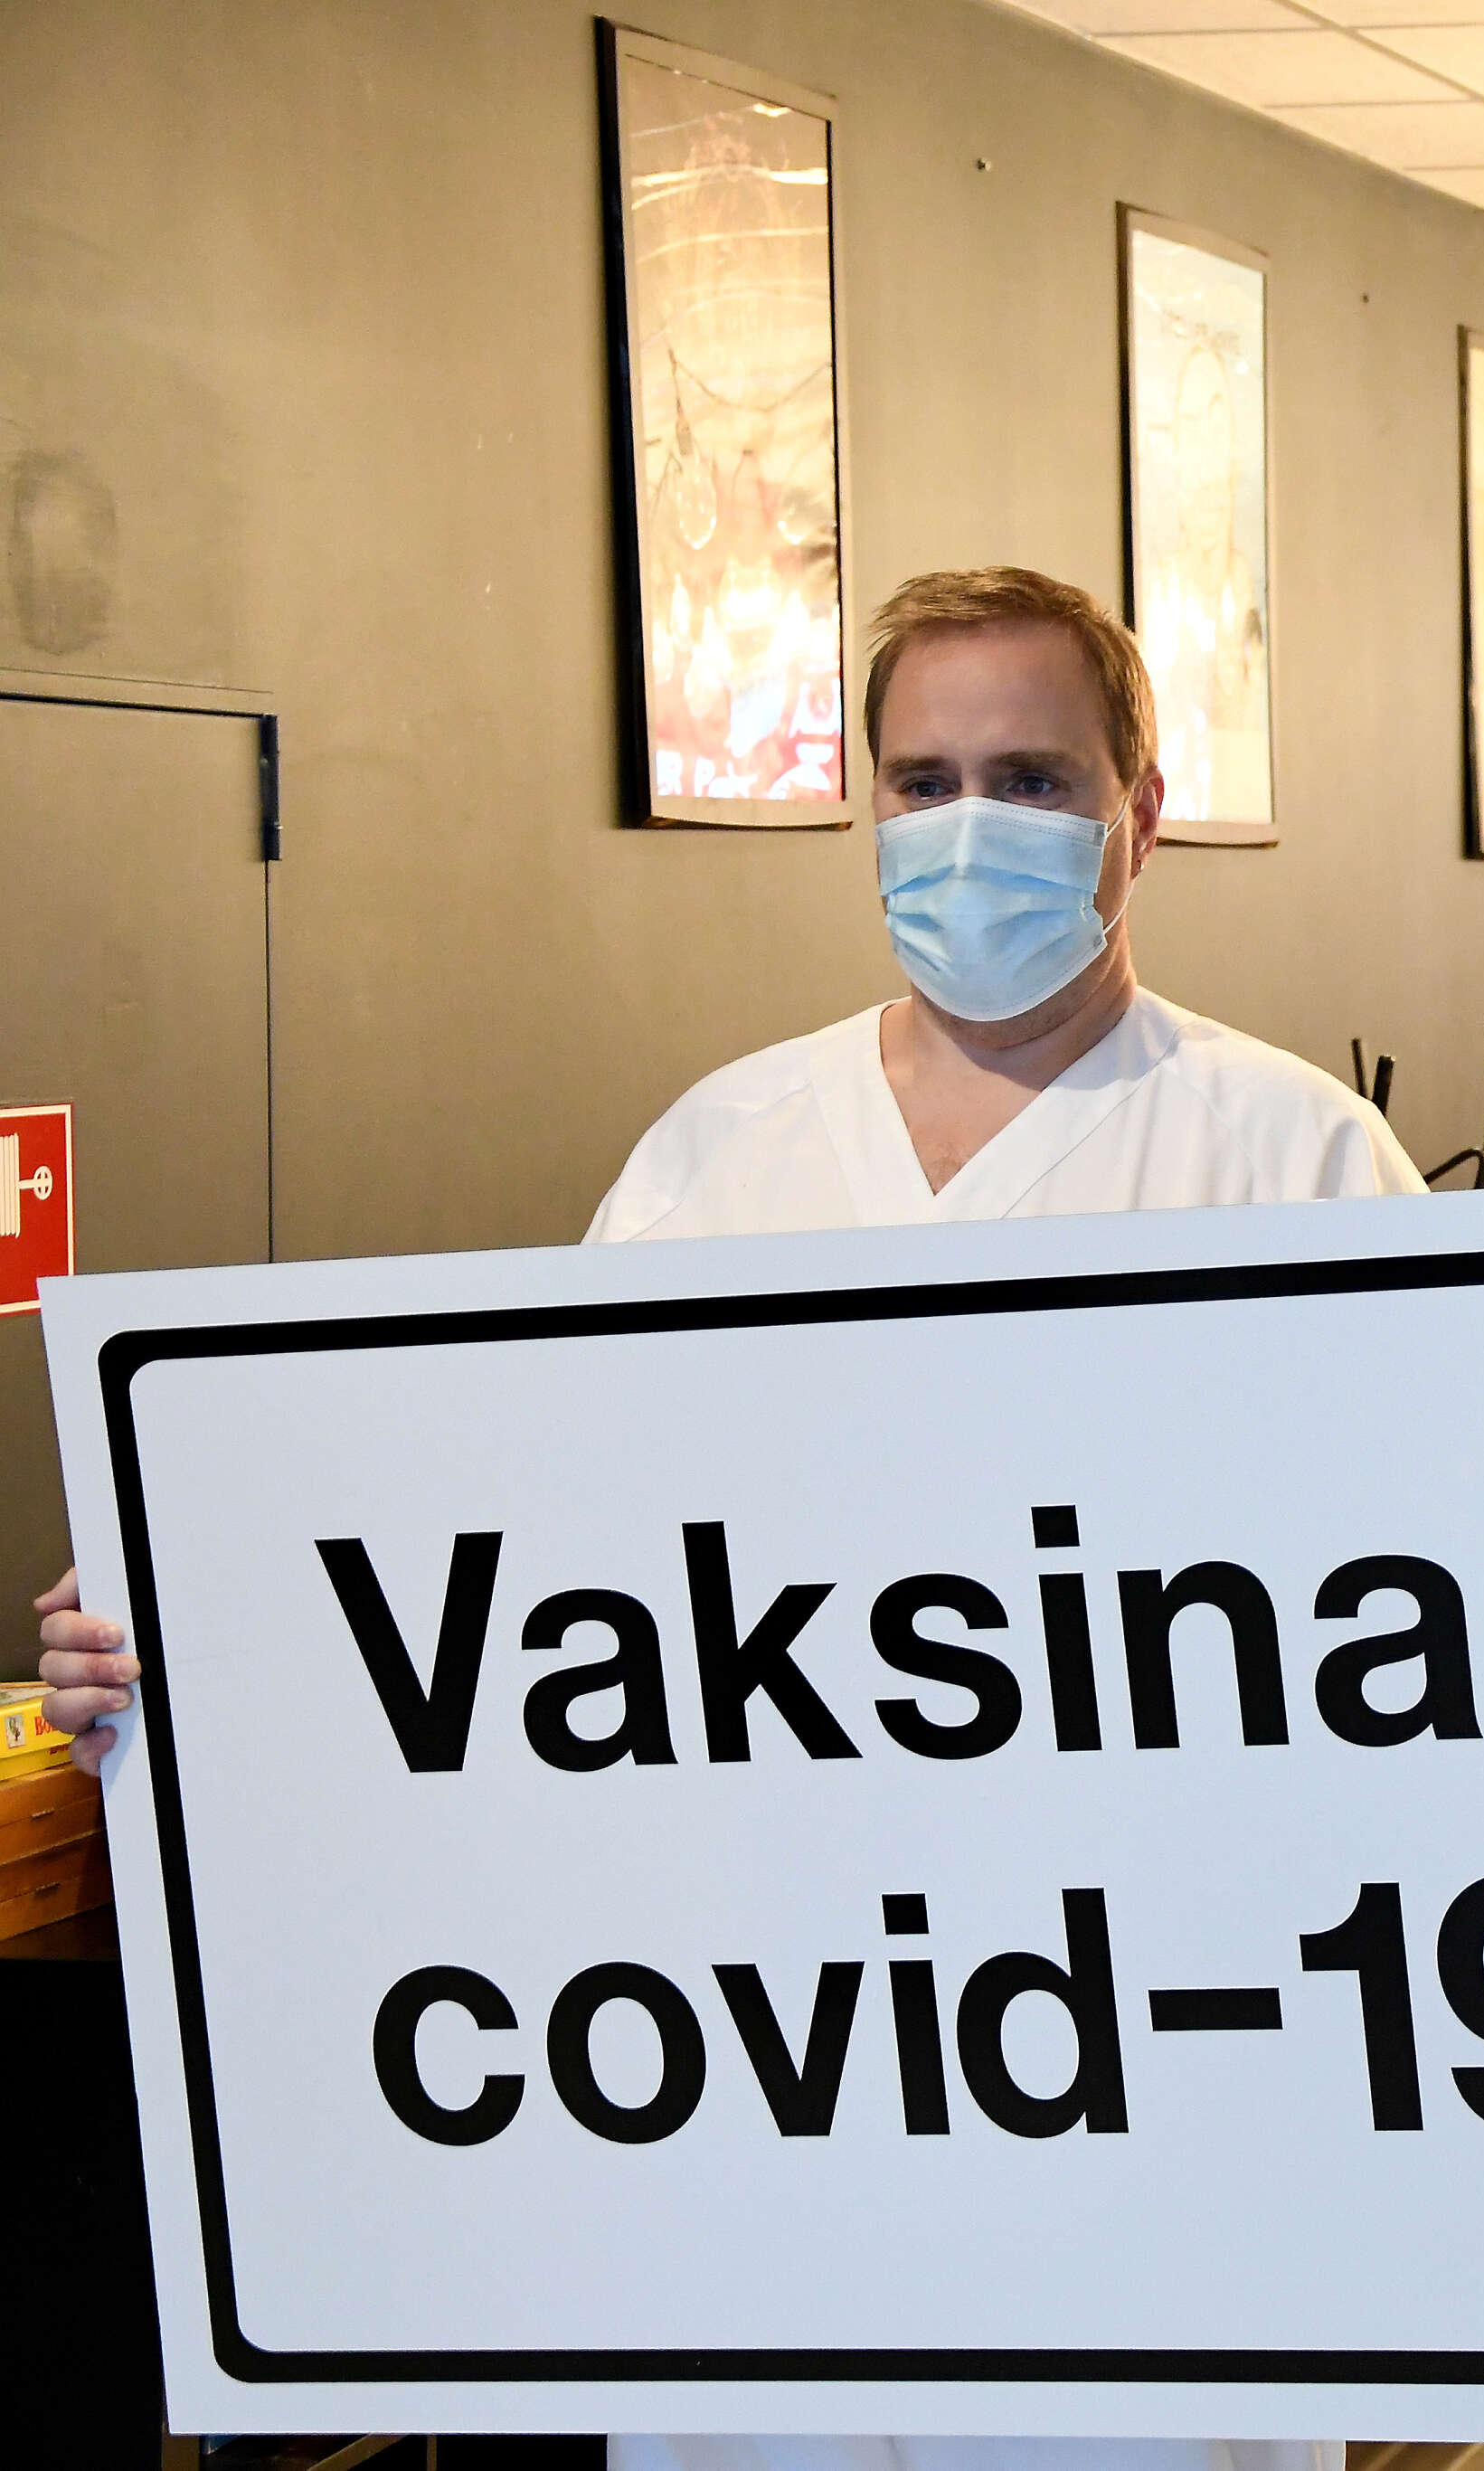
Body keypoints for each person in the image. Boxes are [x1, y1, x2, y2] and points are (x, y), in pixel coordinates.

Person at [35, 563, 1405, 2471]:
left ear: (1141, 812)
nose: (969, 829)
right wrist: (200, 1621)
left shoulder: (1296, 1162)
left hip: (1155, 2084)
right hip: (750, 2072)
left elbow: (1445, 1647)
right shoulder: (718, 1158)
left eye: (1031, 778)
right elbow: (523, 1582)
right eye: (922, 783)